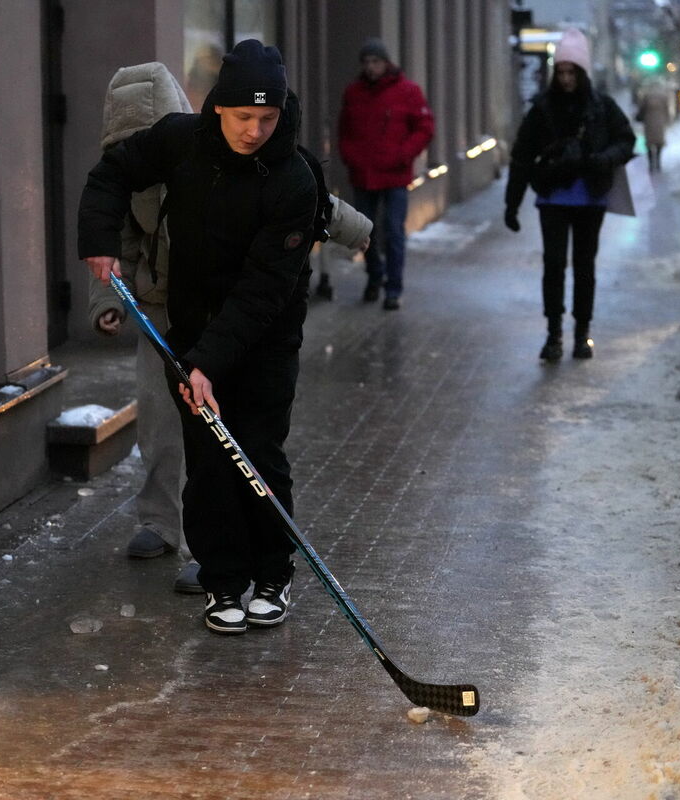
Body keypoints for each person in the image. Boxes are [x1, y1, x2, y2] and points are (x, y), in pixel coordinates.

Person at [78, 39, 319, 635]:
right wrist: (98, 239)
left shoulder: (296, 177)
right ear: (217, 109)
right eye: (244, 117)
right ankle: (223, 580)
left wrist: (208, 362)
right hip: (191, 329)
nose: (256, 130)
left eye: (268, 118)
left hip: (264, 336)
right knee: (209, 463)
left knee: (257, 453)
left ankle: (271, 573)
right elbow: (113, 171)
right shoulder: (182, 141)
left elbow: (264, 291)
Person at [85, 62, 201, 593]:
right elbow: (116, 242)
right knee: (157, 422)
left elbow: (306, 197)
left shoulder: (210, 160)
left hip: (208, 311)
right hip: (156, 312)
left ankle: (211, 542)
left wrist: (354, 230)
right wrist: (108, 299)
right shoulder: (124, 174)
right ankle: (159, 521)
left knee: (210, 429)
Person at [503, 28, 635, 361]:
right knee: (554, 264)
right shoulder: (542, 109)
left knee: (584, 266)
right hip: (553, 198)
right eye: (560, 72)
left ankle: (582, 333)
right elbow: (521, 156)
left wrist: (601, 160)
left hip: (591, 197)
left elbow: (626, 140)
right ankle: (553, 335)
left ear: (582, 71)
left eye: (571, 71)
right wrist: (512, 204)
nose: (565, 79)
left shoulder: (601, 107)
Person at [337, 37, 434, 310]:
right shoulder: (354, 92)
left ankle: (393, 288)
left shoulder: (408, 91)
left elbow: (424, 128)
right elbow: (345, 130)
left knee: (393, 231)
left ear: (386, 62)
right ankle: (374, 277)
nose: (371, 68)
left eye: (375, 62)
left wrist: (404, 155)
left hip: (394, 175)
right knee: (364, 233)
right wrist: (351, 158)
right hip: (364, 174)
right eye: (366, 62)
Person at [636, 82, 671, 173]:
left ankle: (651, 163)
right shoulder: (663, 96)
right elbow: (667, 110)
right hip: (660, 122)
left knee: (649, 144)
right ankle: (658, 162)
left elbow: (641, 110)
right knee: (659, 143)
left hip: (649, 122)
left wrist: (639, 118)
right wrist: (667, 120)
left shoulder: (646, 96)